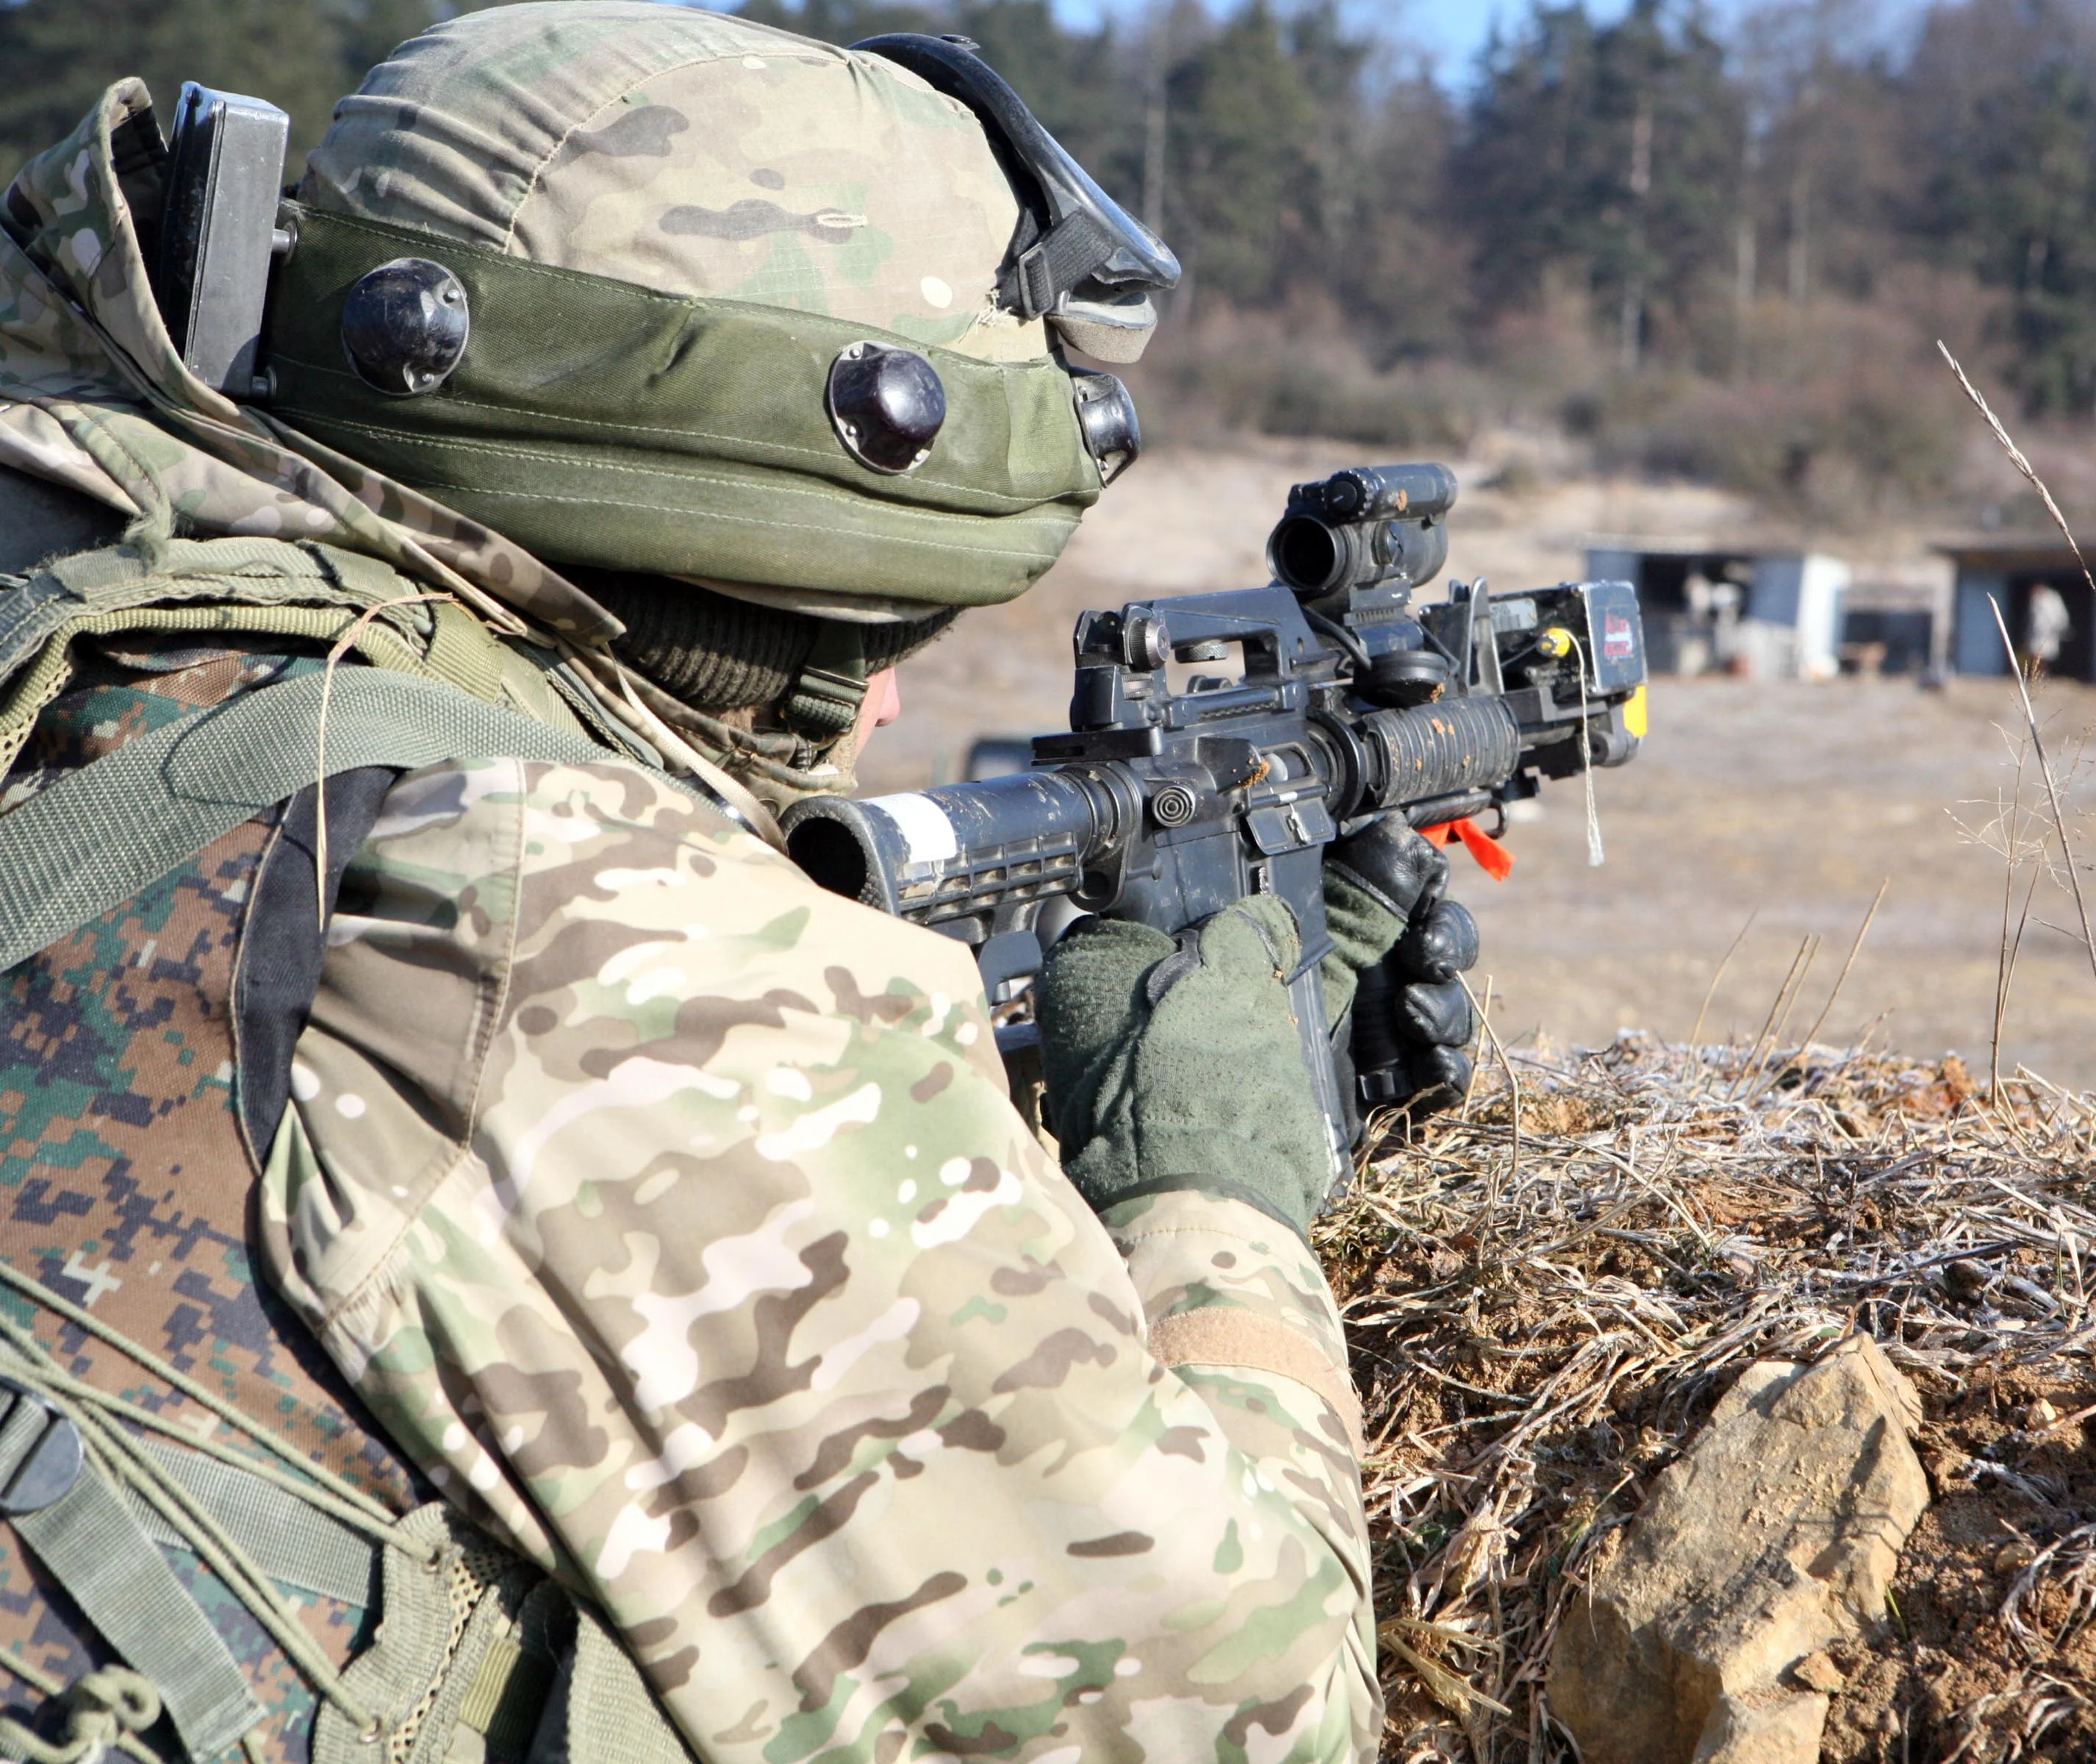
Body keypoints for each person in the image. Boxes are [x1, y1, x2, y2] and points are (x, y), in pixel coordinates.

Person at [0, 7, 1476, 1762]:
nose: (899, 702)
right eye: (868, 644)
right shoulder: (569, 912)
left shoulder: (109, 633)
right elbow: (1239, 1709)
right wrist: (1212, 1187)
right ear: (754, 564)